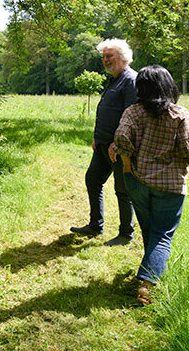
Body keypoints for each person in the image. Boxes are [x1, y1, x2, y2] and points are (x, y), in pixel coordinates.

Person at [110, 65, 189, 304]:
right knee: (163, 235)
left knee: (150, 230)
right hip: (170, 186)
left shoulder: (132, 112)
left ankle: (147, 272)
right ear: (168, 85)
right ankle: (147, 286)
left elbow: (121, 139)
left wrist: (128, 165)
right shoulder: (179, 114)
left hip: (137, 181)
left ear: (140, 87)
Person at [70, 39, 137, 247]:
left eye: (110, 56)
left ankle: (126, 233)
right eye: (104, 57)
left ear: (123, 57)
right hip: (102, 145)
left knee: (123, 190)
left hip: (118, 148)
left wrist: (118, 143)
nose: (106, 60)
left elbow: (131, 116)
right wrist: (97, 137)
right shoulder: (114, 79)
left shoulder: (131, 80)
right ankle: (95, 225)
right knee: (93, 180)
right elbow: (107, 113)